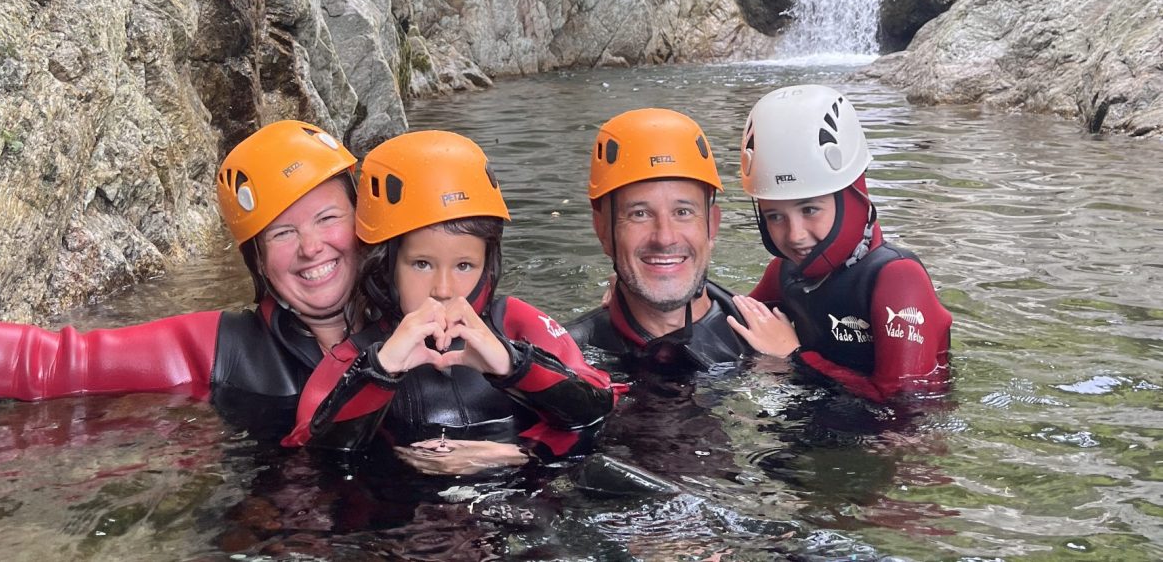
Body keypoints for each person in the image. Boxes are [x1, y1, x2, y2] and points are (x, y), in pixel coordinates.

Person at [0, 120, 363, 441]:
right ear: (257, 258)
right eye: (281, 232)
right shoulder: (224, 348)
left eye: (327, 218)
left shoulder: (428, 311)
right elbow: (41, 364)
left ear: (365, 221)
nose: (311, 248)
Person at [285, 130, 620, 474]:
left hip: (516, 502)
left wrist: (512, 369)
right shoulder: (357, 355)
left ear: (487, 264)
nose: (443, 289)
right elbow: (310, 457)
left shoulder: (514, 322)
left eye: (464, 265)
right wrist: (380, 372)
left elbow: (599, 406)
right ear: (386, 265)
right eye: (422, 264)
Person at [727, 84, 952, 402]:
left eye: (810, 209)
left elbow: (907, 416)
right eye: (775, 216)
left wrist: (793, 356)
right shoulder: (785, 272)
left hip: (876, 445)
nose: (794, 235)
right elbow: (729, 324)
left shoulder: (897, 278)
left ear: (853, 197)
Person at [566, 108, 751, 374]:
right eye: (639, 214)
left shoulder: (766, 338)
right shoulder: (566, 358)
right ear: (603, 230)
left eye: (683, 212)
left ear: (712, 226)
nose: (665, 238)